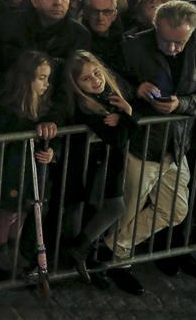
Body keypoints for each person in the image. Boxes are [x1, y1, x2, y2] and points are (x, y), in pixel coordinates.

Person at [112, 1, 196, 277]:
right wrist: (136, 89)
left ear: (192, 33)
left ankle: (114, 245)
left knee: (175, 209)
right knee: (128, 208)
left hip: (177, 144)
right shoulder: (132, 45)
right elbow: (111, 81)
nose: (172, 48)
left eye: (180, 42)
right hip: (140, 144)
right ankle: (119, 261)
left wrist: (180, 104)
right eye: (166, 40)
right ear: (155, 26)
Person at [63, 51, 140, 293]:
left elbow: (123, 135)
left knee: (111, 208)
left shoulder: (110, 97)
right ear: (76, 84)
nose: (96, 80)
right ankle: (78, 252)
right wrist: (128, 116)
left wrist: (125, 114)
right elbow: (118, 137)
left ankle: (83, 251)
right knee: (106, 208)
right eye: (87, 79)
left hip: (109, 167)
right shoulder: (87, 107)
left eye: (97, 73)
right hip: (94, 168)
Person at [0, 51, 55, 275]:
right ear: (26, 79)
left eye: (47, 78)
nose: (46, 84)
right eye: (41, 78)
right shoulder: (7, 108)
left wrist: (51, 152)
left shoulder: (42, 107)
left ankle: (14, 249)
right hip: (11, 169)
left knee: (24, 210)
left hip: (29, 171)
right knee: (8, 212)